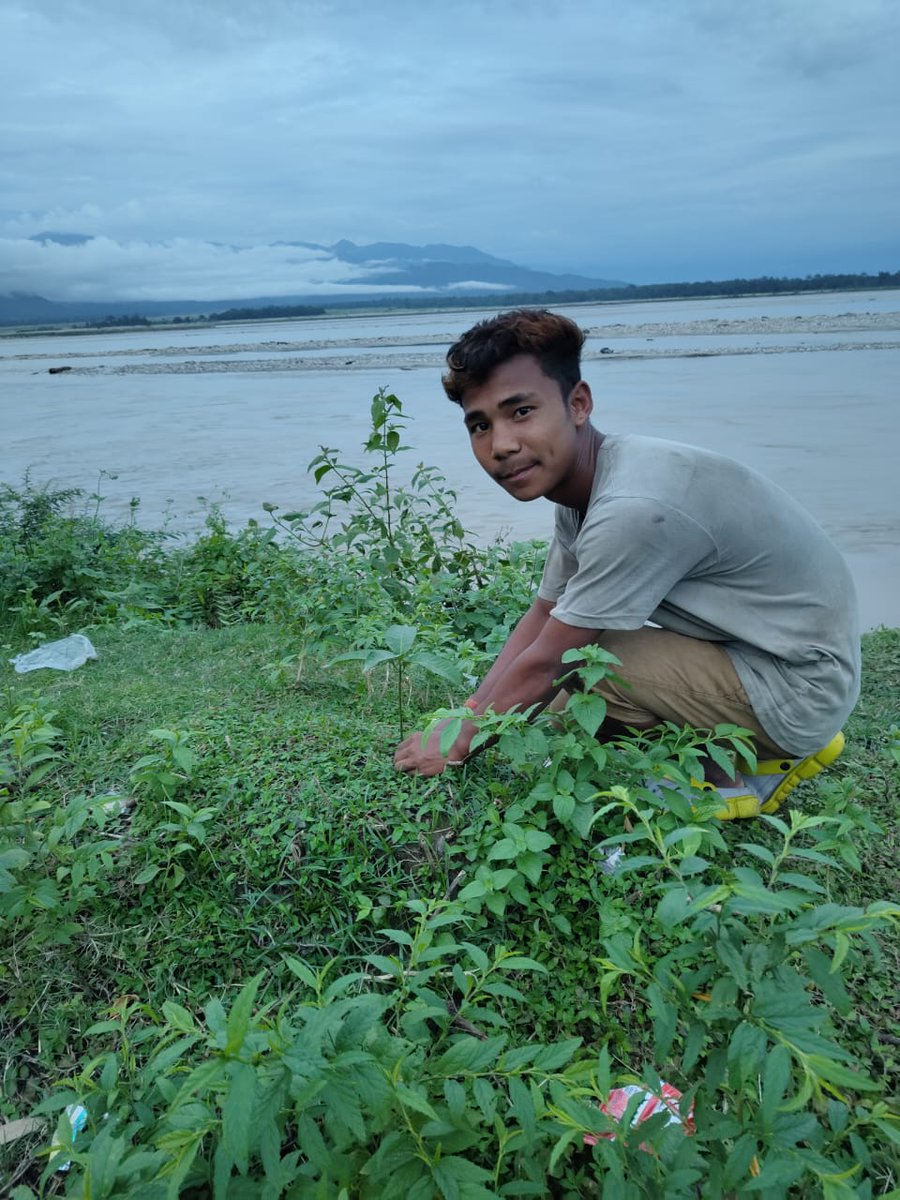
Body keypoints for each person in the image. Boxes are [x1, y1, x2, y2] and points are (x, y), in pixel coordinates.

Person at [393, 309, 860, 817]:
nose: (501, 445)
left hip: (798, 687)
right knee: (557, 713)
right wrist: (468, 713)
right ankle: (755, 741)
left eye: (521, 411)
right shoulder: (588, 486)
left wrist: (459, 742)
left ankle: (734, 776)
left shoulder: (633, 506)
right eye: (480, 425)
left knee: (586, 667)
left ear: (578, 403)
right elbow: (543, 615)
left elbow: (551, 657)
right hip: (768, 656)